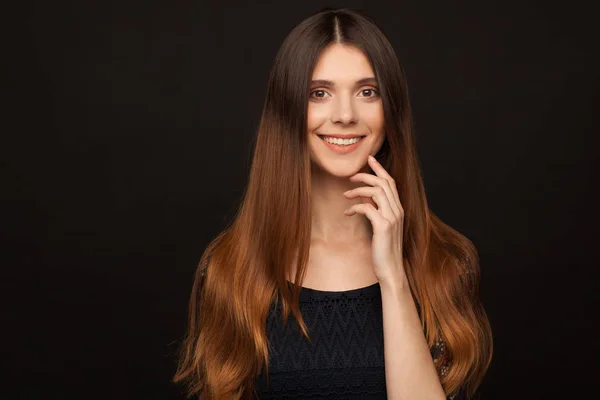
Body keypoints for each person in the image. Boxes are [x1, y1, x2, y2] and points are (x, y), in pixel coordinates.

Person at [173, 7, 493, 400]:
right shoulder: (230, 269)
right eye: (319, 93)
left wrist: (393, 278)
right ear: (287, 109)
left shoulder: (445, 264)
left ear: (390, 108)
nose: (345, 115)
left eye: (367, 92)